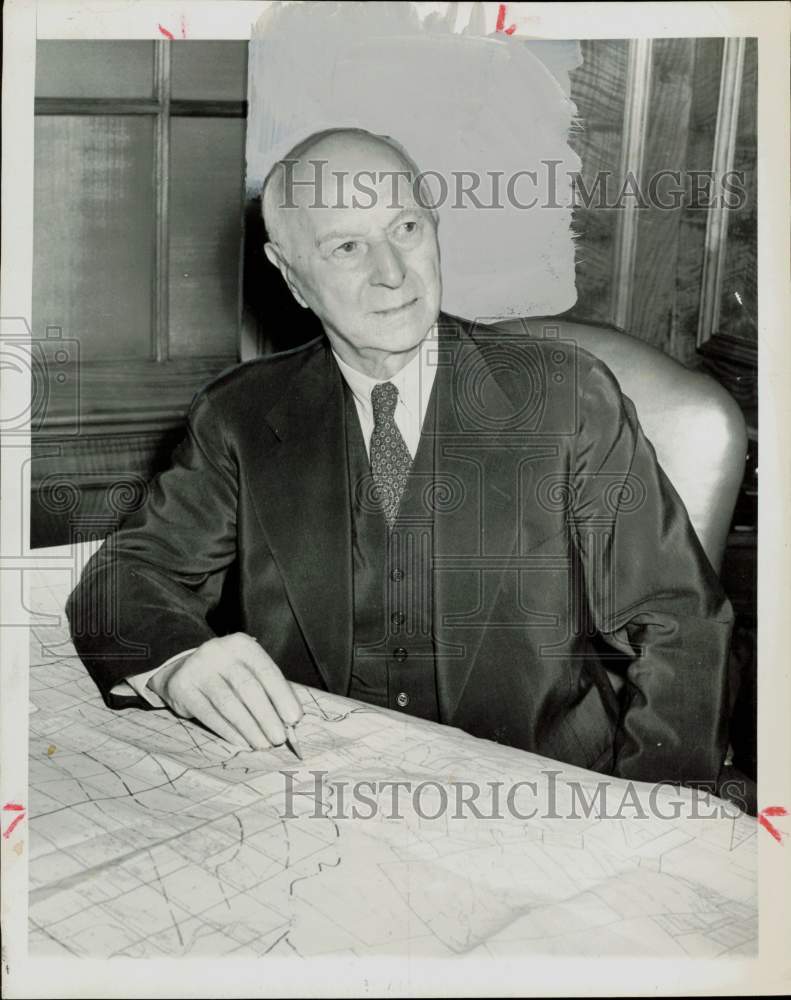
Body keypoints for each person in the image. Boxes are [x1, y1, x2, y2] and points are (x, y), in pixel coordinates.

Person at [67, 127, 734, 789]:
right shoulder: (240, 415)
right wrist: (177, 659)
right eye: (347, 247)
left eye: (407, 228)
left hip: (541, 793)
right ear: (290, 274)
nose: (391, 274)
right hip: (317, 791)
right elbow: (124, 576)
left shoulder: (563, 396)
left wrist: (654, 815)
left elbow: (680, 621)